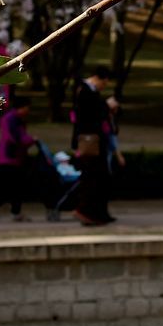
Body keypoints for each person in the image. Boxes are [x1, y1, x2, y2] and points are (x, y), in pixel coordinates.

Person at [71, 65, 114, 226]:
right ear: (97, 78)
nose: (103, 87)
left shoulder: (86, 91)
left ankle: (97, 213)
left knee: (98, 177)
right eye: (104, 83)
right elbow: (89, 114)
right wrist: (107, 106)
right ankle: (86, 210)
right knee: (93, 176)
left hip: (94, 140)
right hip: (90, 141)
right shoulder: (85, 91)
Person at [0, 97, 38, 222]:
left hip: (12, 156)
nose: (28, 111)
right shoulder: (11, 119)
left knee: (14, 186)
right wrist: (31, 140)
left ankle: (14, 211)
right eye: (27, 108)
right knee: (12, 185)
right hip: (10, 156)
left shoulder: (15, 119)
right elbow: (14, 138)